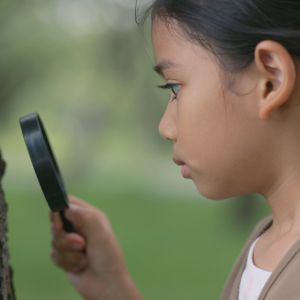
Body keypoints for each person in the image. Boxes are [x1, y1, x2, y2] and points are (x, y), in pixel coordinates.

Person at [50, 1, 300, 299]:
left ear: (270, 79)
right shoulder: (267, 243)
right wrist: (112, 288)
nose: (165, 127)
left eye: (175, 88)